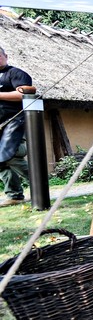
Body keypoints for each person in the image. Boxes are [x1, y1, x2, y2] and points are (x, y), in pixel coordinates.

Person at [0, 46, 32, 207]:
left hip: (13, 121)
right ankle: (14, 195)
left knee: (11, 154)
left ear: (6, 56)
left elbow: (24, 93)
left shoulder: (15, 74)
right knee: (1, 162)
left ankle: (40, 185)